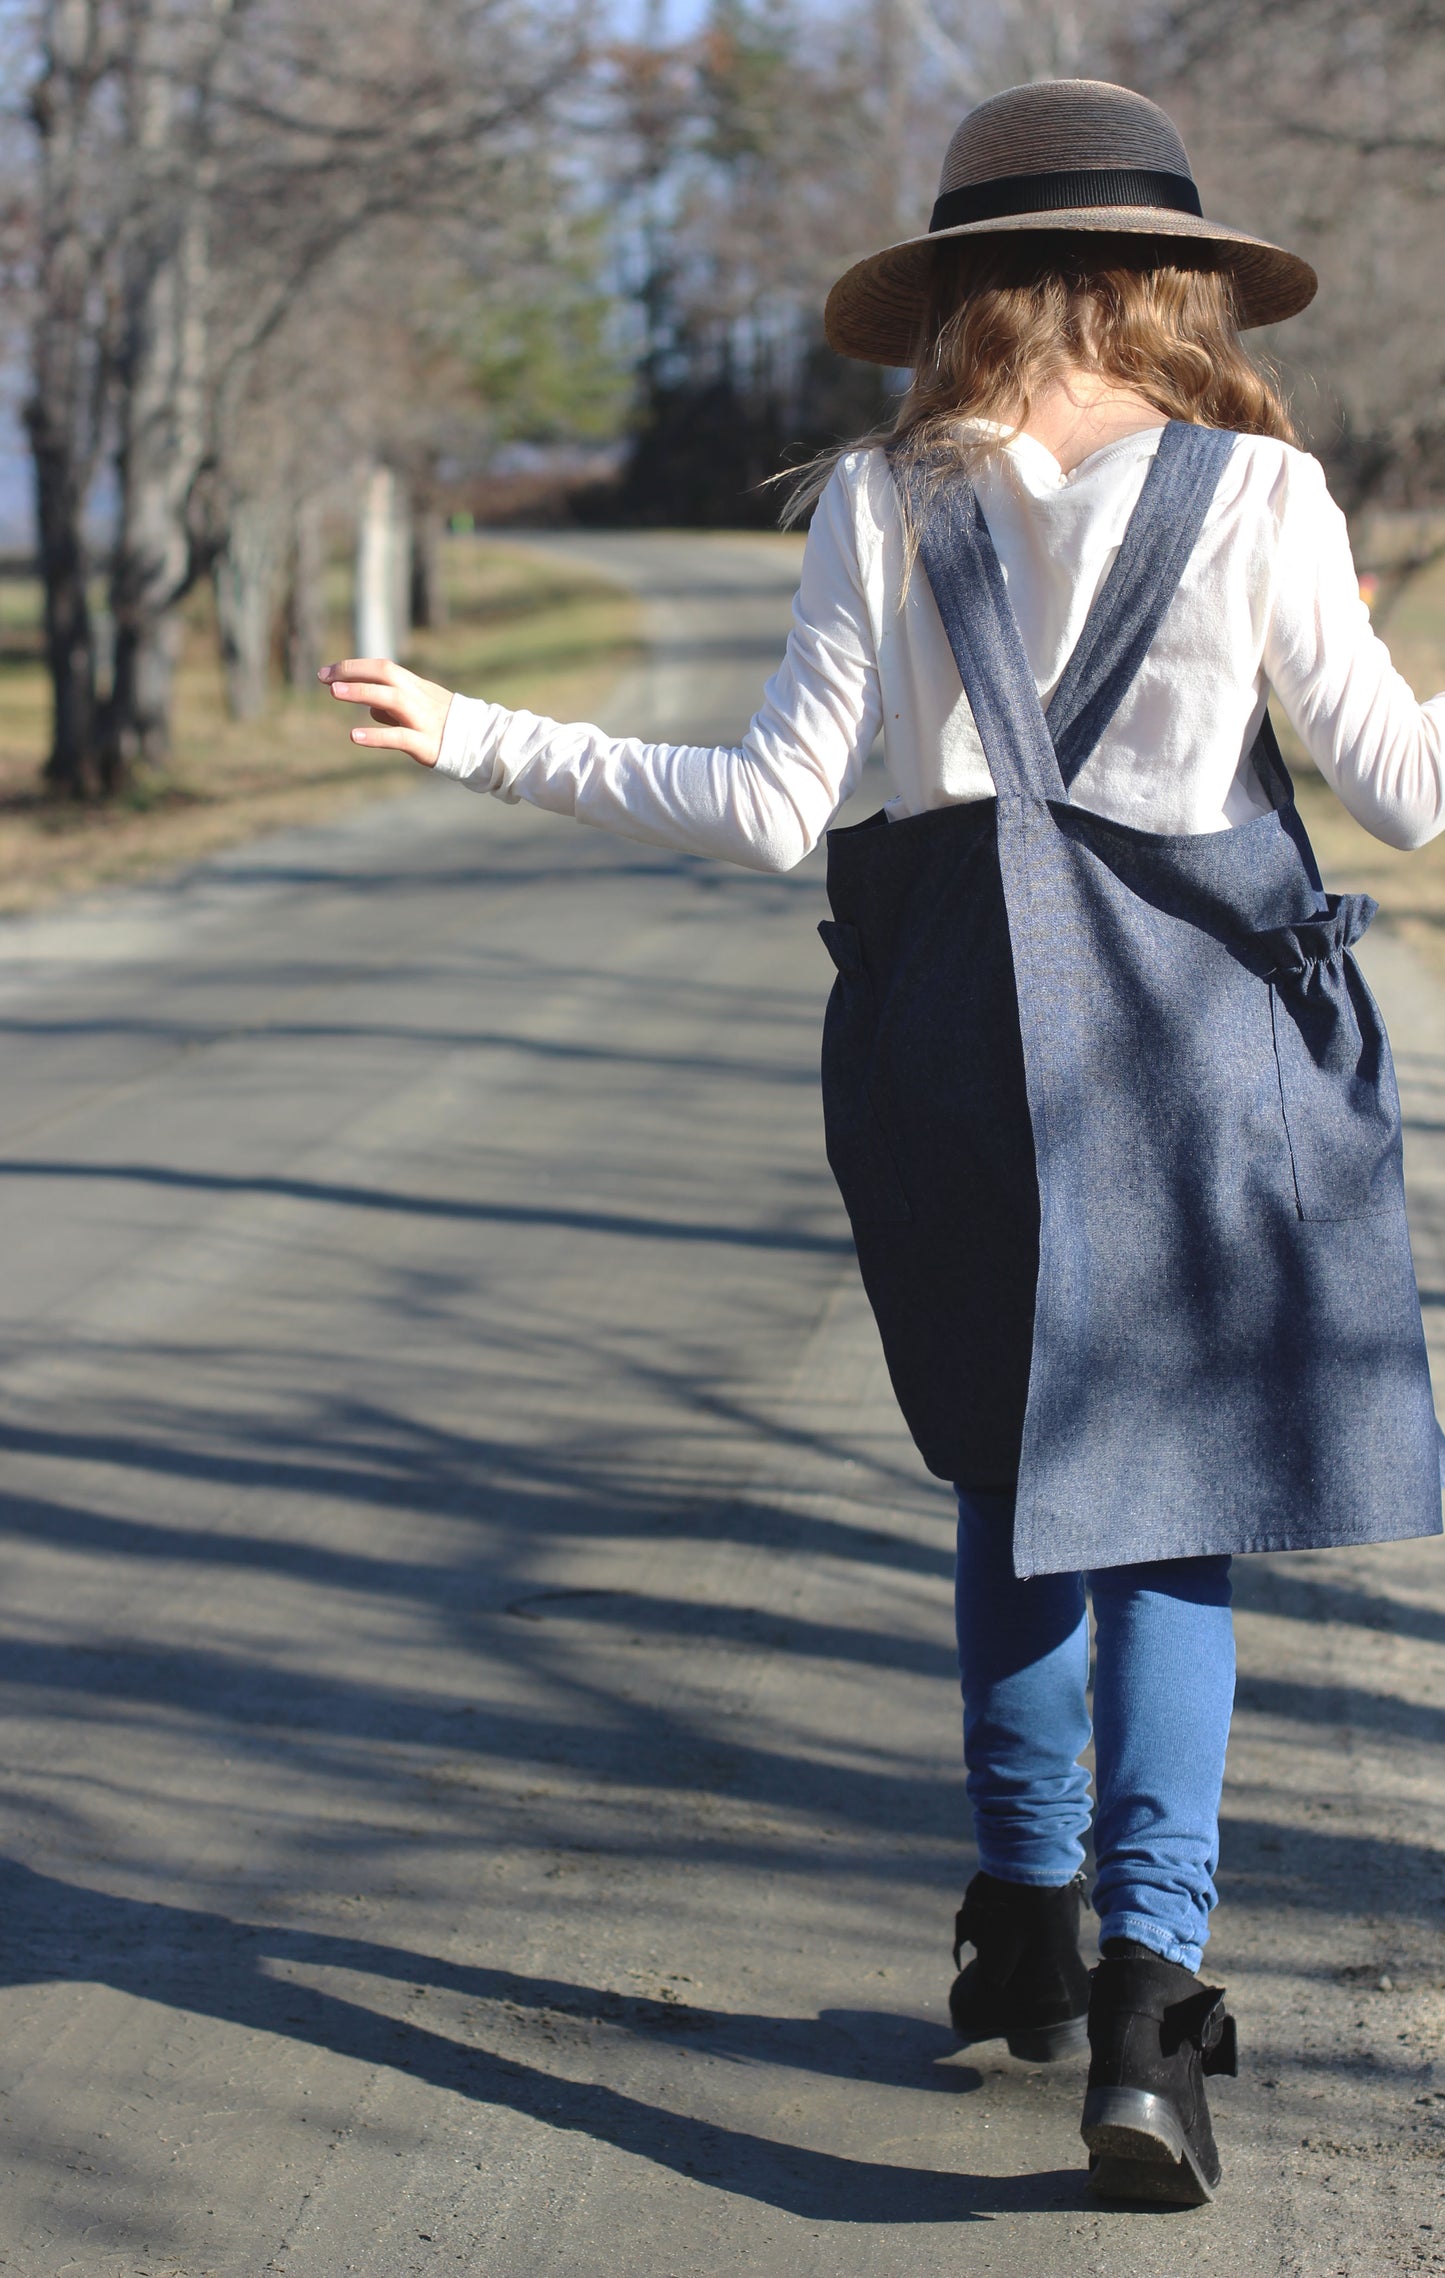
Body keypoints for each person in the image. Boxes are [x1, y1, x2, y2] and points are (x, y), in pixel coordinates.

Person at [321, 78, 1445, 2209]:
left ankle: (1013, 1921)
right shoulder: (1261, 494)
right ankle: (1144, 1999)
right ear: (1166, 274)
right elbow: (1399, 785)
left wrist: (473, 729)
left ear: (960, 286)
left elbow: (766, 808)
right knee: (1168, 1524)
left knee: (1010, 1483)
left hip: (954, 1051)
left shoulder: (876, 497)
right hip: (1201, 1070)